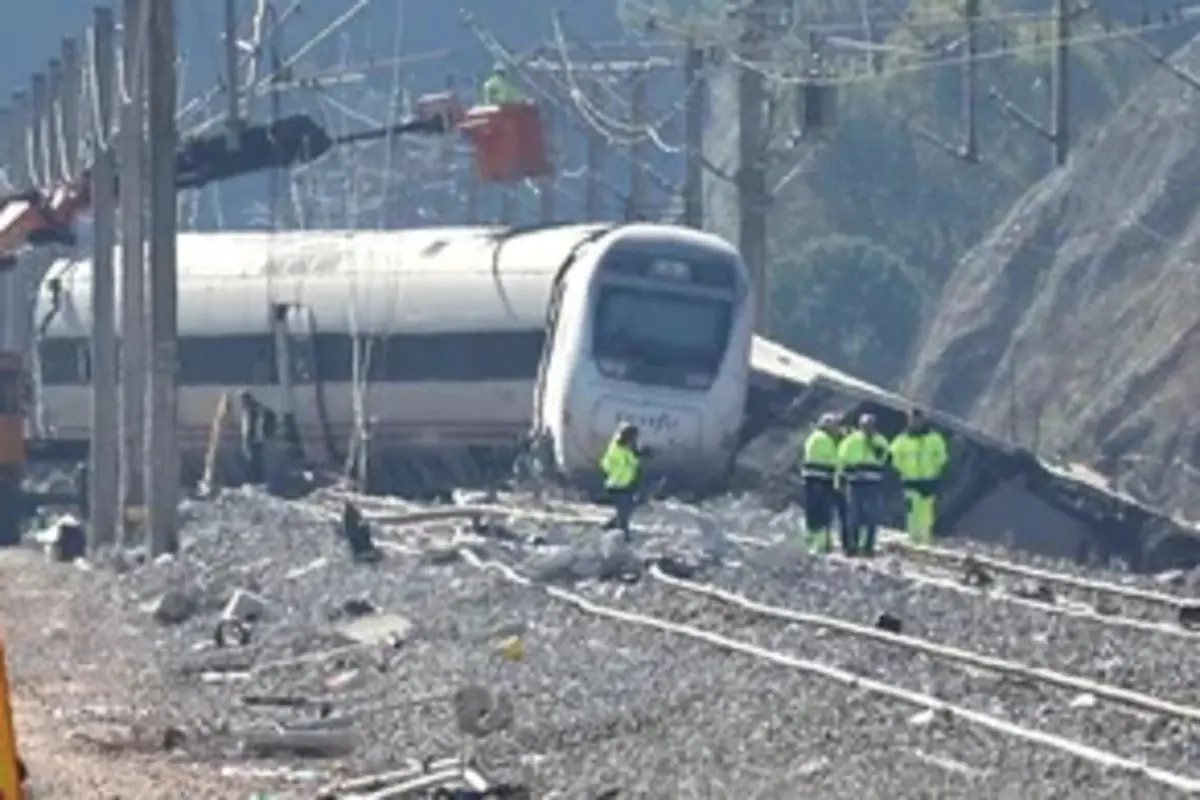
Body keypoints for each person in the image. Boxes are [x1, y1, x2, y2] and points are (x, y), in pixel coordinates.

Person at [889, 408, 948, 545]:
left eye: (918, 419)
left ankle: (925, 539)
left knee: (927, 512)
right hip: (910, 480)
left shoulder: (934, 438)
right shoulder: (901, 440)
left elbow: (942, 456)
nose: (915, 422)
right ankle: (913, 538)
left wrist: (935, 470)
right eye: (912, 419)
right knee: (912, 512)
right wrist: (904, 470)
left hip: (929, 480)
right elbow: (894, 457)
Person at [837, 413, 890, 556]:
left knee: (872, 516)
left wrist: (872, 444)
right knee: (853, 516)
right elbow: (841, 460)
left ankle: (868, 547)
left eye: (870, 425)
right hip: (855, 484)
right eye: (864, 425)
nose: (867, 428)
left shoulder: (881, 441)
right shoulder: (850, 441)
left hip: (873, 484)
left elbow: (884, 459)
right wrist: (841, 478)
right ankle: (852, 546)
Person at [800, 413, 841, 552]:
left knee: (813, 513)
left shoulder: (813, 437)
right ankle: (821, 544)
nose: (837, 429)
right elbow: (834, 461)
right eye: (835, 425)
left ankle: (812, 542)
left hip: (812, 481)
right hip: (822, 482)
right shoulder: (824, 440)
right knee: (822, 514)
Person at [599, 422, 643, 541]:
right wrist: (617, 472)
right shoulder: (617, 448)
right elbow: (606, 464)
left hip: (627, 484)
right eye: (634, 437)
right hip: (617, 485)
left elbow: (633, 464)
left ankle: (609, 527)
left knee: (627, 510)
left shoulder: (629, 449)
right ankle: (624, 536)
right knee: (624, 512)